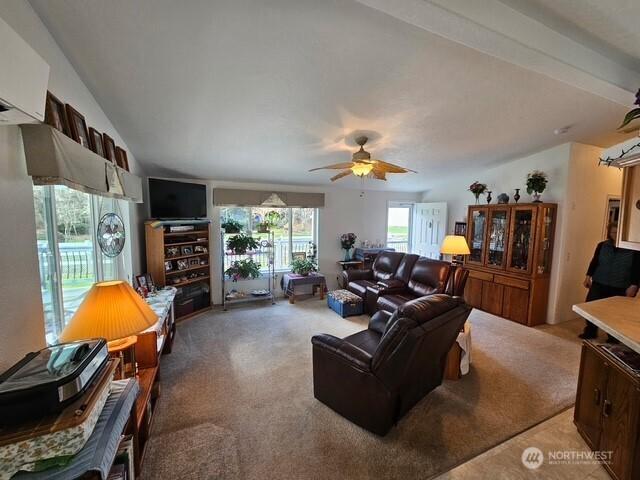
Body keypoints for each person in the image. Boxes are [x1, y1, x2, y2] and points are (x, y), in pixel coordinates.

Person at [579, 223, 640, 340]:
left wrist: (634, 286)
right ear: (609, 233)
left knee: (615, 314)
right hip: (599, 282)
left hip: (620, 285)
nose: (616, 235)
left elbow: (638, 269)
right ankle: (590, 331)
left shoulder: (634, 249)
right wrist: (588, 277)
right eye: (613, 232)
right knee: (591, 307)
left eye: (618, 232)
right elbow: (595, 262)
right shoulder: (602, 245)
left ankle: (613, 337)